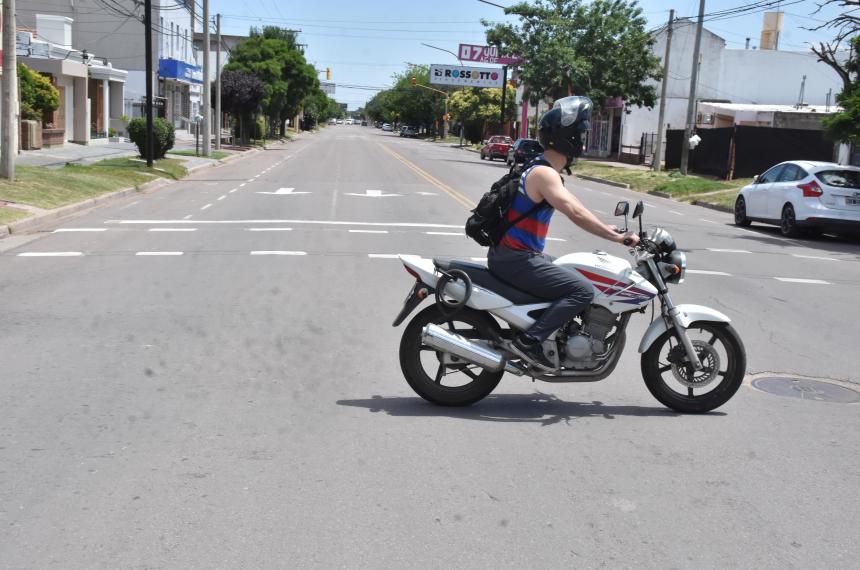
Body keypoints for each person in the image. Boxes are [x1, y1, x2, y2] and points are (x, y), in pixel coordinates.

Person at [488, 96, 640, 371]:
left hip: (516, 255)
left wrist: (610, 228)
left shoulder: (543, 169)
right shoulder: (544, 175)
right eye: (580, 133)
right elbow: (575, 212)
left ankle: (554, 336)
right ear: (566, 137)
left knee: (574, 272)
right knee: (582, 290)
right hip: (516, 259)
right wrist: (616, 238)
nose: (582, 139)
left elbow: (577, 205)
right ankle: (529, 342)